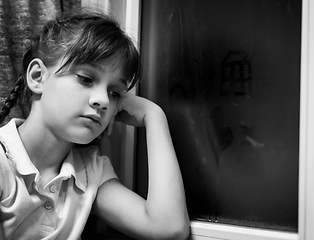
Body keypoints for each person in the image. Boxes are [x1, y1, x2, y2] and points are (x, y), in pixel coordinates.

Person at [0, 8, 189, 240]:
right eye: (86, 79)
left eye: (114, 92)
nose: (103, 101)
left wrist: (154, 116)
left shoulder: (90, 170)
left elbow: (168, 228)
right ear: (38, 76)